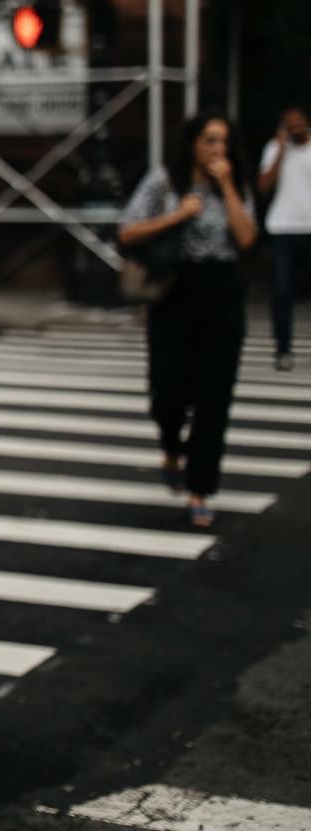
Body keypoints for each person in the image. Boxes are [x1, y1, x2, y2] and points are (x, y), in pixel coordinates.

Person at [119, 112, 258, 529]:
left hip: (222, 291)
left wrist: (227, 186)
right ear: (193, 143)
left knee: (214, 395)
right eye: (210, 141)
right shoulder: (165, 180)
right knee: (168, 390)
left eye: (224, 142)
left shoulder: (236, 183)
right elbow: (127, 231)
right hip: (174, 291)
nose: (218, 150)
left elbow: (247, 238)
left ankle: (201, 489)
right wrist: (177, 215)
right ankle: (170, 445)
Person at [257, 105, 311, 372]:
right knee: (281, 291)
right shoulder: (274, 148)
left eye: (298, 124)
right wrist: (280, 150)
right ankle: (283, 349)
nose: (294, 129)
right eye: (289, 126)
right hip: (282, 228)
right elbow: (264, 186)